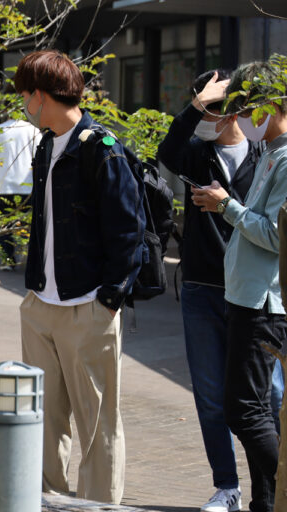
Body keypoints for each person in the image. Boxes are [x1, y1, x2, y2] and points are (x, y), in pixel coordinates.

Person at [14, 50, 145, 504]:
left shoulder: (101, 149)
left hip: (87, 307)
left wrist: (108, 299)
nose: (24, 104)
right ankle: (48, 502)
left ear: (42, 95)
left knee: (97, 426)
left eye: (26, 95)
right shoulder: (47, 144)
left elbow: (129, 230)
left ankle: (97, 506)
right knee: (42, 423)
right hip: (41, 306)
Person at [157, 69, 260, 512]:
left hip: (254, 292)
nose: (207, 115)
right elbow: (166, 153)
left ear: (235, 108)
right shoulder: (196, 154)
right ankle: (227, 487)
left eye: (214, 106)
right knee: (211, 394)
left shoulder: (267, 157)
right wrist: (195, 108)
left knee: (263, 398)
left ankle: (269, 487)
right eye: (202, 106)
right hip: (201, 286)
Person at [190, 60, 287, 512]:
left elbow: (274, 235)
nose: (240, 117)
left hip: (262, 302)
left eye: (246, 106)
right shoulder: (270, 152)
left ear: (270, 105)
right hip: (245, 297)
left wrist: (227, 206)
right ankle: (265, 503)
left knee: (243, 411)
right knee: (254, 410)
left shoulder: (284, 158)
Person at [0, 114, 42, 269]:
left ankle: (8, 260)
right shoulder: (33, 130)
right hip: (28, 186)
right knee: (30, 225)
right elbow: (40, 158)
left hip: (3, 185)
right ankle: (32, 262)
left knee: (4, 226)